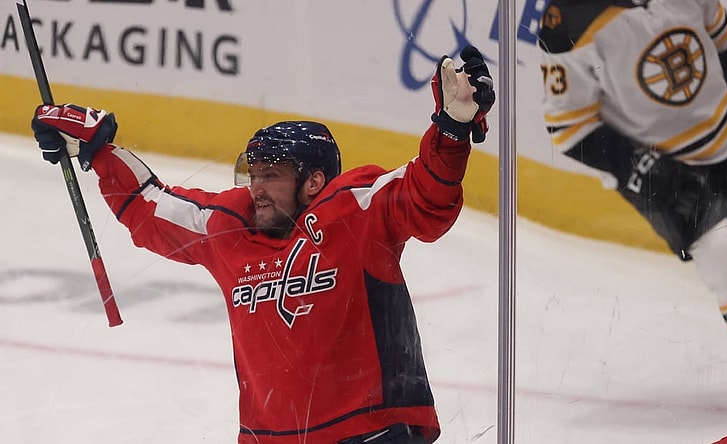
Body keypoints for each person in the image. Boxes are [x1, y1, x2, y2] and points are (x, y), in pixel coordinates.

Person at [29, 45, 495, 443]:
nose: (257, 189)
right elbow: (149, 207)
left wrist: (452, 131)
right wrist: (97, 150)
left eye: (271, 176)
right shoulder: (231, 227)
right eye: (253, 175)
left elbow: (425, 198)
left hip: (373, 432)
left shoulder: (356, 210)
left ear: (314, 181)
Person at [537, 0, 727, 377]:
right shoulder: (566, 18)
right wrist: (643, 169)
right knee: (724, 265)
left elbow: (724, 39)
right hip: (667, 172)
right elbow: (567, 127)